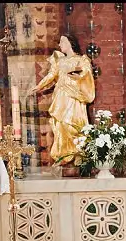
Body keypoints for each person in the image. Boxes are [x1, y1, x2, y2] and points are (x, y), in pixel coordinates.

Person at [31, 33, 95, 165]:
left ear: (70, 43)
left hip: (74, 96)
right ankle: (63, 156)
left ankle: (78, 154)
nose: (60, 45)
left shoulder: (81, 60)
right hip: (61, 96)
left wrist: (78, 75)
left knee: (74, 124)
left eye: (62, 42)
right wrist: (39, 86)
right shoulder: (59, 60)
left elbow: (86, 73)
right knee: (59, 124)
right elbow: (51, 75)